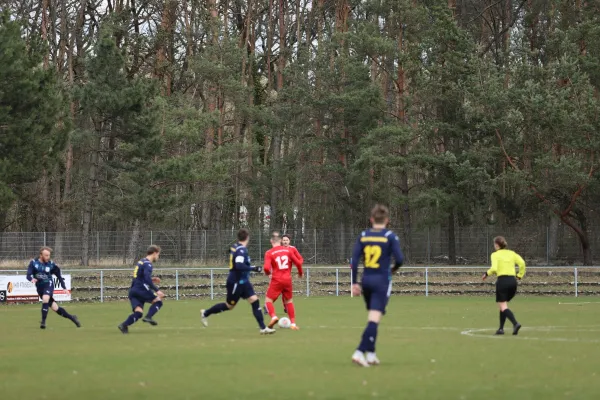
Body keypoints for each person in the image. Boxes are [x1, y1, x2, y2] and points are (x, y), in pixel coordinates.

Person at [350, 205, 404, 367]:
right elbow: (400, 259)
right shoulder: (390, 236)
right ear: (387, 220)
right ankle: (359, 352)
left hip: (366, 281)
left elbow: (354, 261)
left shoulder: (363, 235)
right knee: (374, 319)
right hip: (381, 281)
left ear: (371, 219)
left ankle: (371, 355)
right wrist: (392, 270)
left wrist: (354, 282)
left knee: (374, 318)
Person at [201, 228, 275, 334]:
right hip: (235, 282)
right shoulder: (241, 249)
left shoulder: (235, 246)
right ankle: (205, 313)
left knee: (255, 300)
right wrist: (253, 268)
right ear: (247, 238)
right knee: (229, 306)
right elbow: (239, 265)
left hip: (243, 281)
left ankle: (263, 328)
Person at [26, 247, 81, 329]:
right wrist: (31, 279)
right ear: (41, 255)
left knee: (45, 299)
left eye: (49, 255)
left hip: (49, 284)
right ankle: (72, 318)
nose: (48, 257)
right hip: (40, 288)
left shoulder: (51, 265)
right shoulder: (33, 263)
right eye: (46, 255)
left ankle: (43, 322)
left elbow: (59, 276)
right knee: (56, 308)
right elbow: (28, 275)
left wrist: (64, 287)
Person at [482, 236, 526, 335]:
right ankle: (501, 329)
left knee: (503, 306)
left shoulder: (495, 255)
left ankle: (515, 323)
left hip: (502, 281)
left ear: (497, 245)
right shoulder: (511, 253)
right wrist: (519, 275)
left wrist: (486, 274)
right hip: (513, 282)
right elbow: (522, 263)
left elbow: (494, 268)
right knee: (503, 305)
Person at [118, 245, 165, 334]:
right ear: (154, 253)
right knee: (158, 301)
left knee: (138, 313)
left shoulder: (141, 262)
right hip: (141, 289)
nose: (158, 257)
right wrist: (157, 290)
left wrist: (152, 279)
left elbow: (140, 277)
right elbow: (146, 278)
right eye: (158, 255)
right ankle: (148, 317)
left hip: (133, 290)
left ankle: (124, 325)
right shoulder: (148, 264)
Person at [263, 233, 303, 330]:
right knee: (289, 301)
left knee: (268, 301)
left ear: (271, 241)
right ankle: (293, 324)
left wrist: (268, 273)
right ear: (280, 241)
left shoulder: (269, 252)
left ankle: (274, 317)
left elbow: (266, 267)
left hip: (276, 279)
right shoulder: (288, 251)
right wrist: (300, 273)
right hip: (287, 280)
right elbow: (298, 262)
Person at [281, 234, 303, 313]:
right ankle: (269, 306)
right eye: (284, 240)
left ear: (289, 241)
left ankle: (286, 307)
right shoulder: (278, 249)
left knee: (285, 292)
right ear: (281, 241)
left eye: (287, 240)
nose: (285, 242)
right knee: (276, 293)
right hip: (277, 275)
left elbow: (300, 259)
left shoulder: (293, 249)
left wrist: (298, 264)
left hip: (287, 275)